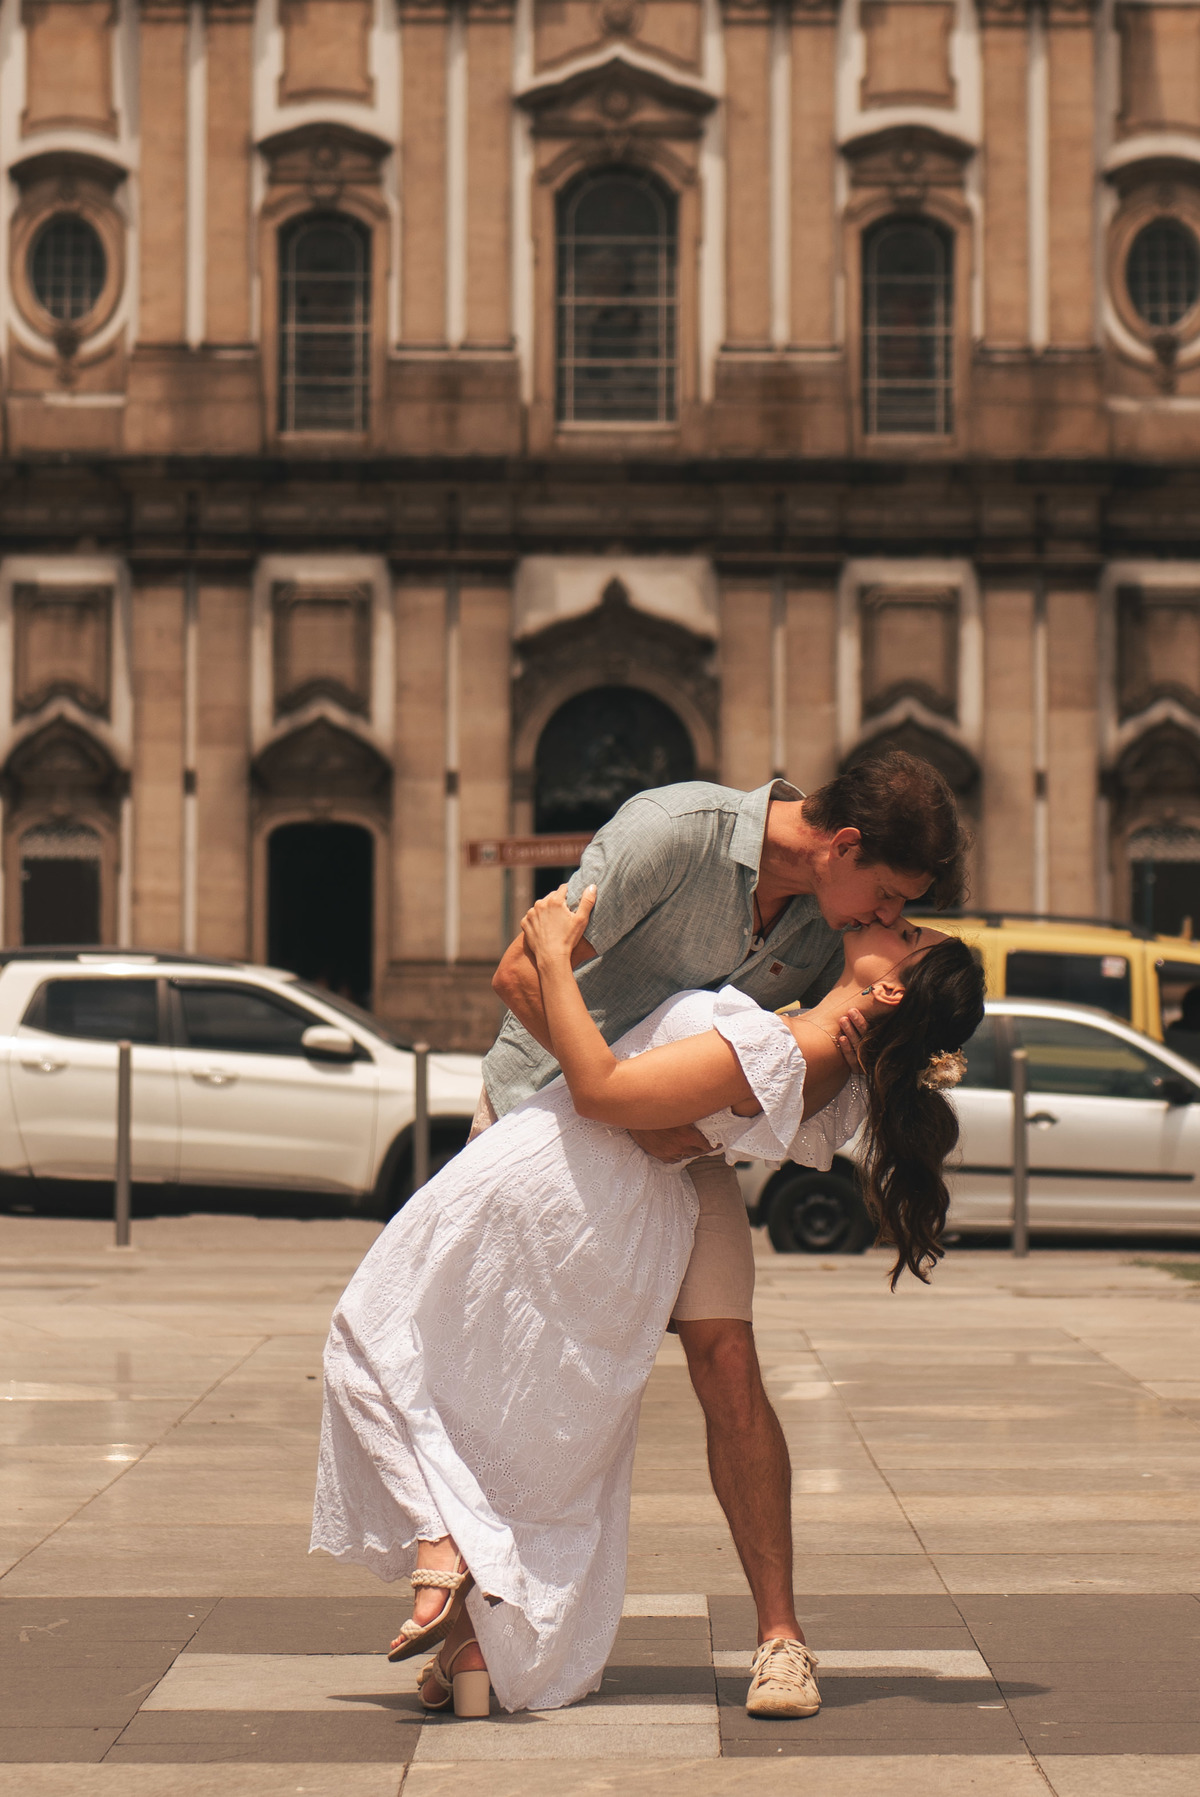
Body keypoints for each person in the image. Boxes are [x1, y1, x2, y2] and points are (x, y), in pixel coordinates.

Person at [311, 895, 985, 1721]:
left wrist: (557, 955)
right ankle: (482, 1638)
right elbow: (685, 1117)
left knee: (372, 1341)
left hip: (567, 1185)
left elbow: (600, 1090)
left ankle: (447, 1543)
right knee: (526, 1412)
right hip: (596, 1196)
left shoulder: (792, 1045)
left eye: (908, 934)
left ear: (890, 992)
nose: (891, 914)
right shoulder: (819, 1046)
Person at [474, 750, 968, 1714]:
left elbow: (825, 1030)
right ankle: (474, 1633)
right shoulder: (673, 833)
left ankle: (781, 1639)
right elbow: (517, 972)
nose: (880, 919)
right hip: (541, 1127)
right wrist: (630, 1116)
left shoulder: (831, 929)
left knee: (730, 1360)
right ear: (845, 845)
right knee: (533, 1382)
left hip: (674, 1148)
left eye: (893, 911)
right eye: (885, 897)